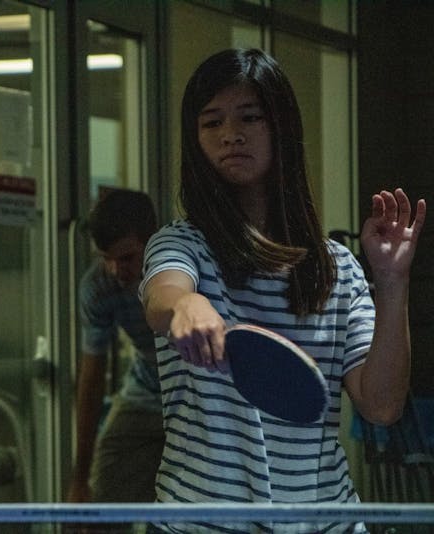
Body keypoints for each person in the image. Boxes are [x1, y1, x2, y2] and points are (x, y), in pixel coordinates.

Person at [139, 48, 427, 533]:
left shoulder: (337, 267)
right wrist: (187, 304)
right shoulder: (182, 244)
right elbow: (163, 296)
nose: (230, 134)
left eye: (249, 116)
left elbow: (381, 406)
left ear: (282, 129)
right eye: (211, 123)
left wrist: (393, 281)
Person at [67, 188, 164, 507]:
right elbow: (92, 377)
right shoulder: (98, 287)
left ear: (153, 241)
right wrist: (80, 480)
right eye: (105, 259)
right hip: (145, 391)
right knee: (98, 503)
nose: (114, 270)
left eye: (126, 258)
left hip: (201, 397)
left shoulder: (189, 265)